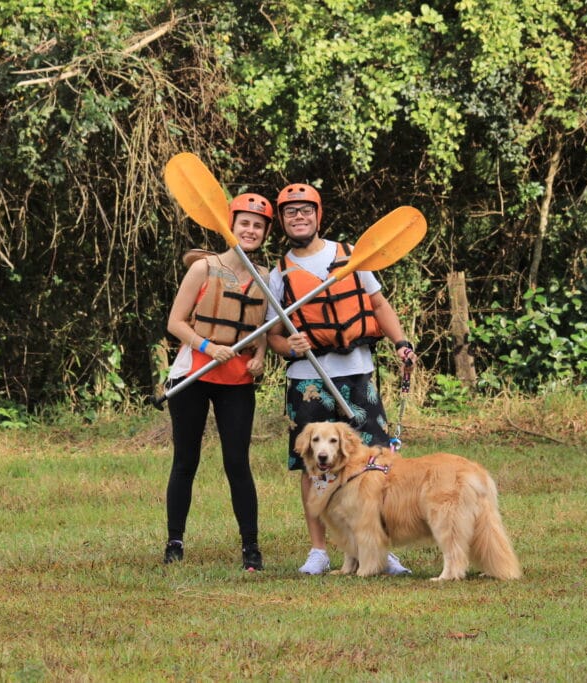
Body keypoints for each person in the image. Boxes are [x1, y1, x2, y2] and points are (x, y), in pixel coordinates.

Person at [265, 183, 419, 575]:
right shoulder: (278, 274)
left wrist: (400, 343)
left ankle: (381, 547)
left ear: (318, 215)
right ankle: (319, 550)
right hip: (308, 378)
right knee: (311, 465)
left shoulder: (352, 257)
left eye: (305, 211)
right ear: (282, 221)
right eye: (290, 213)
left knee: (379, 461)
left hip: (357, 372)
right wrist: (291, 346)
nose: (298, 218)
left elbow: (378, 305)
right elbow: (273, 337)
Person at [162, 192, 272, 571]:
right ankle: (174, 542)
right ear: (231, 226)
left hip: (237, 379)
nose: (251, 230)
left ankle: (251, 550)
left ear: (265, 233)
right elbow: (175, 323)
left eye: (258, 225)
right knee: (185, 460)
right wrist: (208, 346)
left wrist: (259, 357)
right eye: (245, 223)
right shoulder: (203, 269)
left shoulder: (266, 278)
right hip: (193, 374)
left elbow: (264, 327)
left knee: (237, 463)